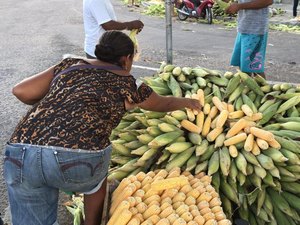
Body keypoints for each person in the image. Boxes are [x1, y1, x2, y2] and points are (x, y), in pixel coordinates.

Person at [3, 30, 201, 225]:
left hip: (21, 150)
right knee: (96, 181)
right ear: (127, 59)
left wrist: (60, 97)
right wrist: (189, 102)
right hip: (77, 157)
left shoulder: (71, 64)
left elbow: (21, 91)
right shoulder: (127, 81)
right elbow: (161, 104)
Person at [225, 0, 273, 79]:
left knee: (254, 68)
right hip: (244, 28)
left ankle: (261, 89)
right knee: (243, 66)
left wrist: (239, 6)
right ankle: (247, 88)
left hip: (255, 29)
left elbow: (268, 1)